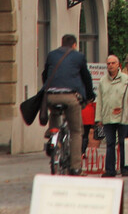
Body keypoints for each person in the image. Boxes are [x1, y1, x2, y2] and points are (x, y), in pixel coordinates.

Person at [42, 33, 94, 165]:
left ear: (62, 43)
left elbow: (45, 75)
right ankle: (76, 166)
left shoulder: (52, 55)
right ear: (74, 45)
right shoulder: (78, 56)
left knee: (54, 111)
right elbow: (86, 78)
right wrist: (89, 95)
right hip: (70, 96)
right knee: (76, 131)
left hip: (51, 96)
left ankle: (53, 134)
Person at [95, 54, 128, 176]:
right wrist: (98, 118)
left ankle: (125, 168)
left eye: (113, 63)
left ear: (118, 65)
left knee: (123, 143)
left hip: (122, 117)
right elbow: (100, 100)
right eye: (108, 64)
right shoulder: (103, 80)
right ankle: (110, 169)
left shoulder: (125, 79)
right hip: (107, 117)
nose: (110, 66)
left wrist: (123, 109)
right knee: (110, 143)